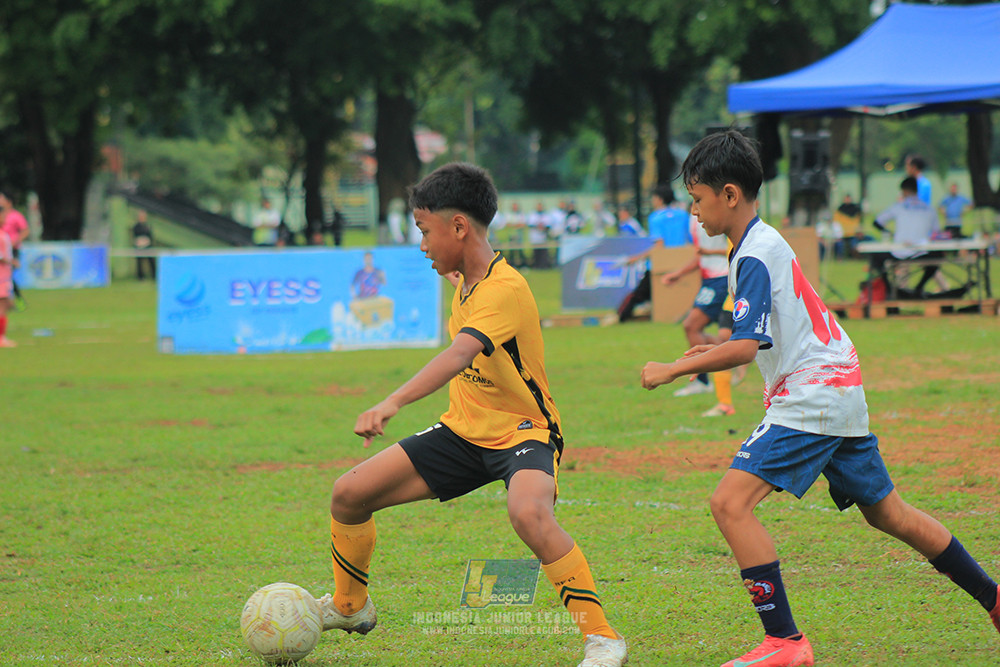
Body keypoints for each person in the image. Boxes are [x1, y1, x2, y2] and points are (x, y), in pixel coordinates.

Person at [640, 130, 1000, 667]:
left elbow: (743, 348)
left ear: (730, 194)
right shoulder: (759, 244)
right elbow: (758, 338)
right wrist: (699, 356)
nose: (694, 211)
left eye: (698, 198)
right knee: (890, 515)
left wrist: (673, 367)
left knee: (729, 504)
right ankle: (995, 599)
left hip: (813, 397)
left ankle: (785, 643)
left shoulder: (756, 254)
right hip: (838, 389)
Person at [320, 163, 627, 667]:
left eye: (424, 230)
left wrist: (391, 401)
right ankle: (350, 607)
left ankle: (602, 638)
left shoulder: (505, 289)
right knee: (348, 493)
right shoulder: (461, 278)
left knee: (529, 513)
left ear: (459, 226)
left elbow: (458, 355)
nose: (421, 244)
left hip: (523, 433)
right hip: (463, 431)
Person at [660, 206, 730, 397]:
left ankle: (702, 380)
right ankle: (735, 359)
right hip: (710, 279)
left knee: (692, 326)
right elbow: (700, 255)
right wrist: (678, 274)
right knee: (719, 337)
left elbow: (736, 247)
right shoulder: (692, 216)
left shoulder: (719, 210)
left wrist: (710, 253)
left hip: (722, 278)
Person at [617, 187, 692, 323]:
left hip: (660, 263)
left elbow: (659, 245)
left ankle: (620, 317)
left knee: (638, 294)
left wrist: (636, 258)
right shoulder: (683, 215)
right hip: (681, 262)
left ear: (659, 199)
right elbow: (689, 240)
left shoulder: (656, 217)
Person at [871, 177, 942, 298]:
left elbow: (877, 222)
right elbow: (937, 233)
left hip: (899, 251)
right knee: (938, 257)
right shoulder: (929, 208)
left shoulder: (899, 206)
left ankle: (890, 290)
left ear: (904, 191)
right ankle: (919, 288)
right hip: (922, 251)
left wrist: (890, 233)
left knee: (875, 257)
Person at [0, 189, 29, 309]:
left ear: (9, 202)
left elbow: (25, 231)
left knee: (8, 275)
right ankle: (14, 298)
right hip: (3, 252)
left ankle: (12, 298)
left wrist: (15, 241)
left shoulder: (16, 216)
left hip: (11, 249)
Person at [0, 226, 16, 347]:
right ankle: (1, 338)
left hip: (5, 276)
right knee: (3, 306)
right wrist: (11, 261)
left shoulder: (3, 234)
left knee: (8, 304)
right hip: (1, 277)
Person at [131, 209, 156, 280]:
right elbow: (135, 236)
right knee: (139, 262)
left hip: (148, 246)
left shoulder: (147, 226)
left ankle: (154, 276)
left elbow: (150, 236)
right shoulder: (136, 226)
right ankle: (140, 277)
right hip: (139, 247)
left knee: (151, 261)